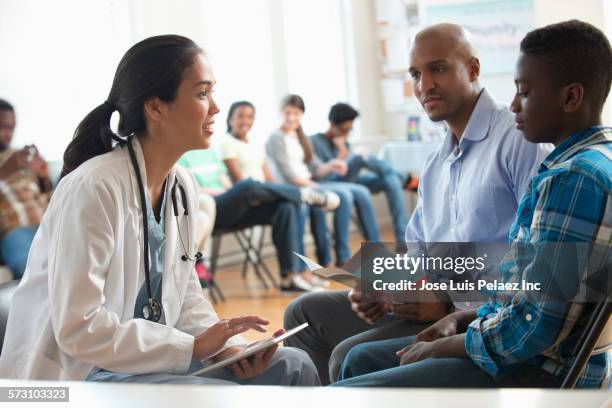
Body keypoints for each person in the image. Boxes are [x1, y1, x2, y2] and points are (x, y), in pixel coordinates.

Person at [0, 35, 319, 386]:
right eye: (202, 94)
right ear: (156, 108)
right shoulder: (94, 187)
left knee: (294, 364)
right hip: (80, 374)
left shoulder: (181, 185)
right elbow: (79, 329)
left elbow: (185, 298)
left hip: (146, 361)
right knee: (212, 394)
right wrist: (192, 347)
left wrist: (228, 350)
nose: (215, 108)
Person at [334, 19, 611, 389]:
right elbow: (516, 284)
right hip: (496, 328)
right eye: (416, 73)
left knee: (346, 385)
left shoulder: (569, 175)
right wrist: (385, 281)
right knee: (353, 353)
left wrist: (457, 329)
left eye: (524, 93)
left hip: (536, 368)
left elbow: (539, 323)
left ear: (570, 97)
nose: (513, 104)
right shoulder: (569, 164)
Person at [284, 23, 550, 385]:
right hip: (431, 302)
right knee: (304, 311)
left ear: (472, 69)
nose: (424, 85)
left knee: (349, 355)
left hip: (477, 313)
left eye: (437, 68)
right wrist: (381, 286)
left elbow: (538, 264)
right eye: (415, 74)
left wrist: (447, 302)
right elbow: (419, 254)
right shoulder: (436, 160)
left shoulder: (518, 139)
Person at [179, 143, 336, 292]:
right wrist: (230, 194)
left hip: (228, 205)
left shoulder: (208, 151)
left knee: (284, 207)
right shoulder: (179, 155)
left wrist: (235, 196)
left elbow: (224, 181)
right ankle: (301, 193)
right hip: (209, 211)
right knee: (246, 186)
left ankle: (289, 278)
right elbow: (189, 190)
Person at [266, 94, 380, 268]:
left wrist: (332, 164)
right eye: (287, 113)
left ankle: (375, 250)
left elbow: (316, 168)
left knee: (362, 191)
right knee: (346, 195)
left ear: (302, 114)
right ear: (280, 113)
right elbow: (288, 175)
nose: (291, 117)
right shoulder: (276, 138)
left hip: (310, 183)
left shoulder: (300, 136)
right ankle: (342, 255)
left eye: (296, 113)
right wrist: (312, 184)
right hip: (296, 186)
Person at [310, 103, 418, 243]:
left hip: (352, 181)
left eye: (350, 130)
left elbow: (350, 171)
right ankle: (407, 180)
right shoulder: (314, 141)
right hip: (331, 183)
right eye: (345, 130)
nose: (347, 134)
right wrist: (343, 153)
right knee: (359, 156)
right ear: (332, 124)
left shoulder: (344, 141)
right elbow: (320, 174)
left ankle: (402, 238)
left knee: (390, 179)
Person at [0, 99, 53, 279]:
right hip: (16, 230)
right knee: (34, 273)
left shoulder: (21, 158)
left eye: (11, 128)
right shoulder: (16, 161)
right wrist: (8, 168)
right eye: (3, 127)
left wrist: (44, 178)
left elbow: (50, 201)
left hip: (46, 226)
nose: (8, 134)